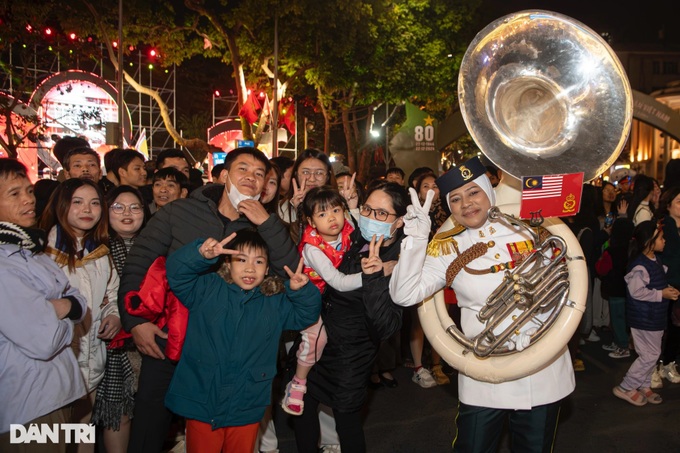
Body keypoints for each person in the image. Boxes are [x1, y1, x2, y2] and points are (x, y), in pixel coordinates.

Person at [118, 146, 299, 452]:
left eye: (259, 174)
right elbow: (139, 262)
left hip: (228, 344)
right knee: (152, 418)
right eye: (243, 169)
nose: (251, 178)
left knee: (220, 428)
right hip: (171, 334)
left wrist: (267, 223)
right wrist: (135, 321)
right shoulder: (180, 211)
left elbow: (291, 273)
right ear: (225, 175)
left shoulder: (265, 226)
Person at [389, 156, 575, 452]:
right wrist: (415, 239)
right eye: (456, 198)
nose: (467, 204)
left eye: (474, 192)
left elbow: (564, 281)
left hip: (542, 367)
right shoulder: (448, 246)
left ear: (489, 191)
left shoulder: (529, 227)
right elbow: (404, 294)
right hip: (484, 370)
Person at [164, 230, 320, 452]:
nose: (249, 268)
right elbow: (176, 273)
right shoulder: (206, 288)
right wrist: (199, 253)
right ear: (227, 263)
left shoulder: (273, 302)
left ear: (266, 269)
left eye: (258, 262)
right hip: (203, 395)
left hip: (247, 399)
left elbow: (306, 315)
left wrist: (300, 291)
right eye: (241, 260)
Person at [292, 181, 408, 453]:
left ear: (400, 221)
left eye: (381, 213)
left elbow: (386, 326)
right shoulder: (356, 234)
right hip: (320, 338)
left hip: (350, 356)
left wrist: (376, 278)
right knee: (302, 408)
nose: (370, 217)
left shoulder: (402, 258)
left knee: (346, 419)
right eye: (368, 209)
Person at [0, 158, 88, 451]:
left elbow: (78, 300)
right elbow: (44, 341)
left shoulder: (28, 249)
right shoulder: (3, 264)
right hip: (28, 406)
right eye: (14, 194)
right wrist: (68, 315)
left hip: (58, 393)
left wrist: (60, 308)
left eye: (28, 191)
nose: (28, 199)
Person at [40, 178, 121, 453]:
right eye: (78, 202)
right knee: (49, 440)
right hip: (53, 367)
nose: (88, 209)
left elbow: (112, 294)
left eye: (95, 203)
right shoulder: (42, 255)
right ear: (62, 205)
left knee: (84, 435)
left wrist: (114, 315)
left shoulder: (99, 253)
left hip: (92, 363)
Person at [281, 186, 361, 416]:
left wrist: (353, 205)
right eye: (322, 214)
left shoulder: (347, 226)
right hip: (308, 295)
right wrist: (371, 276)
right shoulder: (312, 248)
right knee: (317, 337)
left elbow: (357, 228)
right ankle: (297, 384)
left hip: (330, 297)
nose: (332, 218)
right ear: (311, 221)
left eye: (336, 210)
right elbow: (338, 281)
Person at [612, 220, 680, 406]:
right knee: (650, 354)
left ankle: (643, 384)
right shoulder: (640, 266)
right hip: (644, 319)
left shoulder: (655, 260)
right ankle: (626, 386)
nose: (664, 241)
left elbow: (655, 284)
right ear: (648, 241)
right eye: (661, 238)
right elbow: (637, 292)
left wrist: (667, 289)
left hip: (653, 317)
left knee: (649, 353)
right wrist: (662, 293)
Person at [596, 217, 635, 359]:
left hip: (615, 290)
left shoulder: (611, 250)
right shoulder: (634, 249)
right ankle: (619, 342)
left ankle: (623, 347)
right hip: (629, 290)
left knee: (617, 319)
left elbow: (601, 269)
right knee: (624, 319)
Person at [657, 186, 680, 385]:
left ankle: (669, 362)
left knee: (677, 328)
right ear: (669, 205)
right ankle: (656, 365)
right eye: (679, 202)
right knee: (661, 327)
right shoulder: (663, 226)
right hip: (668, 283)